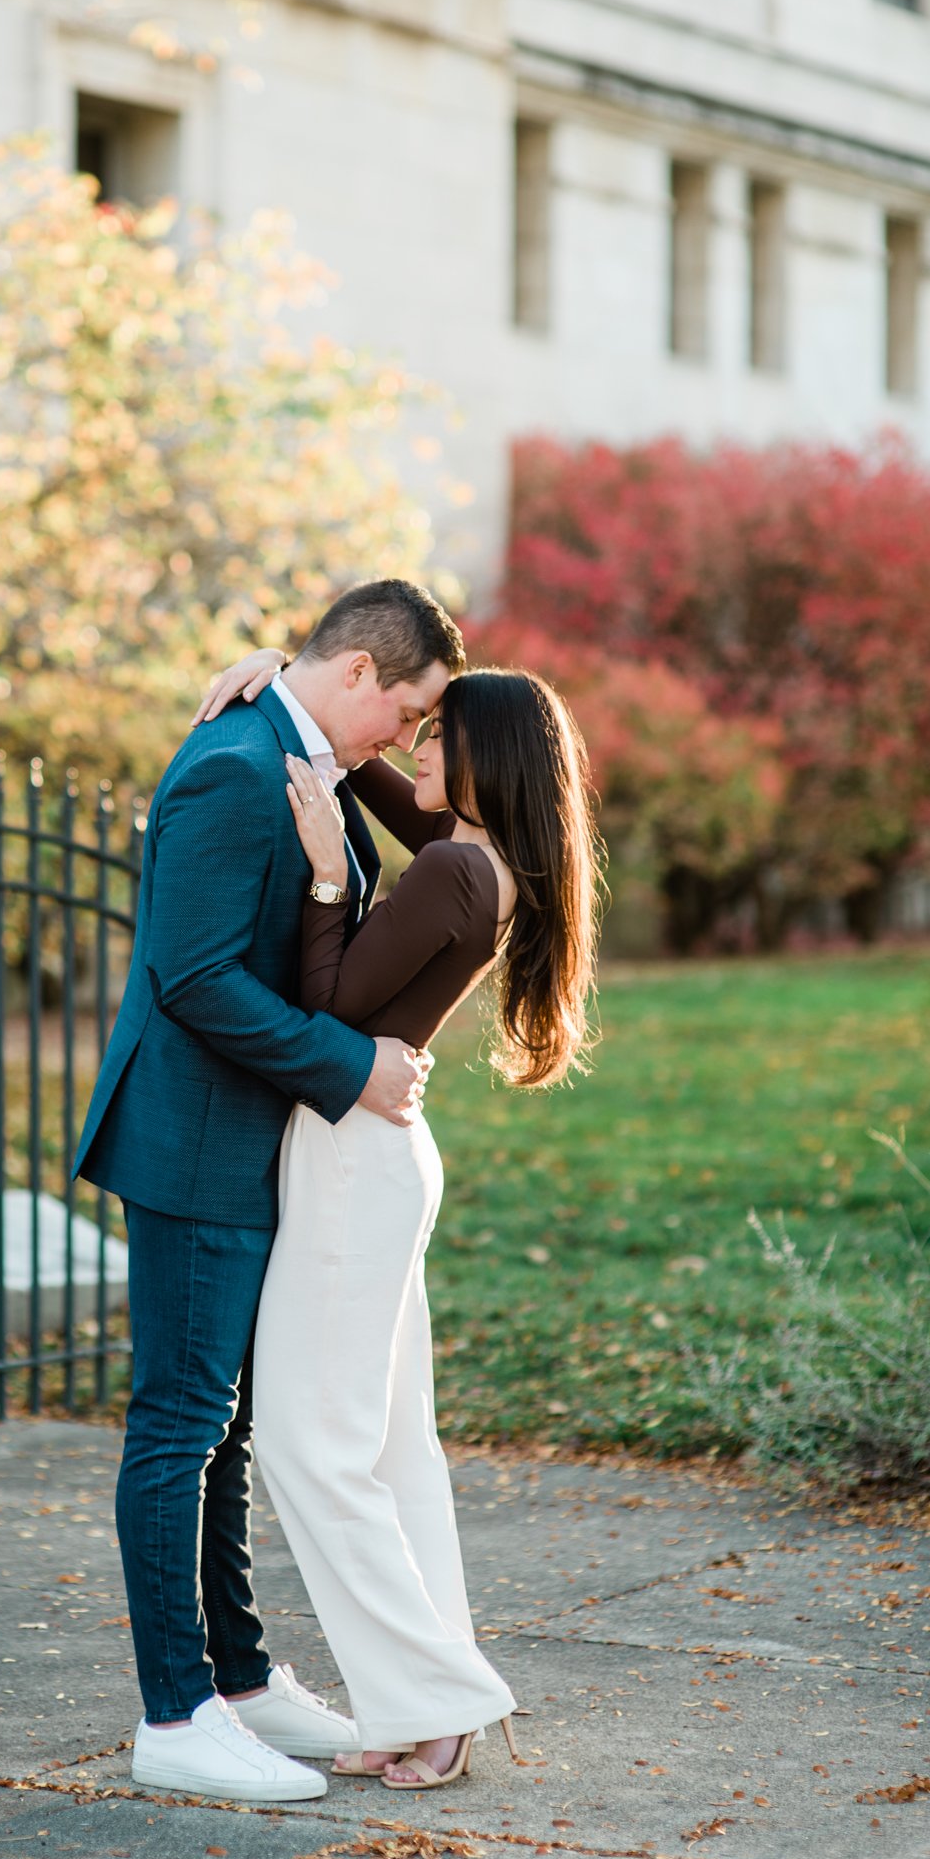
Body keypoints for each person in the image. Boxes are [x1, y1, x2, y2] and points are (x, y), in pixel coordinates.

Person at [73, 580, 465, 1802]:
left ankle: (238, 1682)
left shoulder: (300, 751)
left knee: (227, 1428)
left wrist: (269, 666)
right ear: (355, 675)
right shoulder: (234, 767)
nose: (400, 743)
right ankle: (175, 1714)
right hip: (194, 1147)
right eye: (401, 713)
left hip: (255, 1146)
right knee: (180, 1424)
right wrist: (355, 1070)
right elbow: (190, 979)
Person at [195, 644, 600, 1792]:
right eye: (410, 724)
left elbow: (326, 1008)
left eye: (436, 733)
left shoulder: (448, 875)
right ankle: (431, 1698)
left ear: (484, 761)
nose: (412, 744)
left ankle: (439, 1697)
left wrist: (327, 875)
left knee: (317, 1450)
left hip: (350, 1160)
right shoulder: (477, 858)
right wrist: (292, 689)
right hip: (380, 1159)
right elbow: (364, 772)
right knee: (386, 1450)